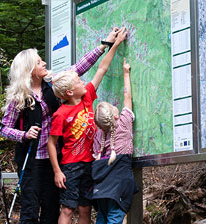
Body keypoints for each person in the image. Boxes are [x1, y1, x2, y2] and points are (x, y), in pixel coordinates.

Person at [0, 27, 119, 224]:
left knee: (51, 208)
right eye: (39, 62)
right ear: (29, 69)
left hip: (55, 159)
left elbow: (80, 67)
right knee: (29, 208)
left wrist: (105, 44)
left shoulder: (52, 85)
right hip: (31, 160)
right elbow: (4, 128)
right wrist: (23, 134)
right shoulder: (18, 97)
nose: (44, 62)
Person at [47, 27, 127, 224]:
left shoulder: (87, 97)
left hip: (89, 163)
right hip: (70, 167)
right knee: (67, 208)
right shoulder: (60, 114)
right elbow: (51, 143)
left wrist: (114, 45)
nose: (83, 81)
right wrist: (57, 171)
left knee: (85, 208)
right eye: (77, 81)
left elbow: (102, 69)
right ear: (68, 93)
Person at [89, 58, 137, 224]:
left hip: (101, 190)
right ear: (115, 116)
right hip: (118, 189)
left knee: (102, 218)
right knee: (114, 220)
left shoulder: (98, 135)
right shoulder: (123, 124)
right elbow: (127, 96)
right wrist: (126, 72)